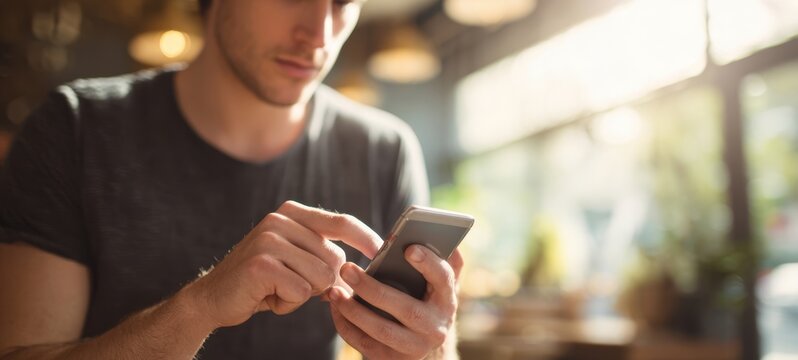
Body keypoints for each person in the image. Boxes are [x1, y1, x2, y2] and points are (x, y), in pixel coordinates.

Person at [0, 0, 463, 359]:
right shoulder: (75, 129)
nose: (319, 34)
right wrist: (198, 307)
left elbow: (426, 346)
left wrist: (430, 346)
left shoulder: (384, 150)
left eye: (343, 3)